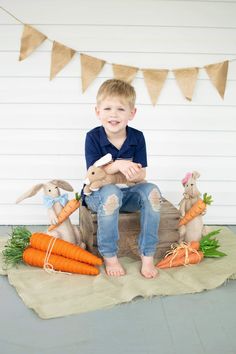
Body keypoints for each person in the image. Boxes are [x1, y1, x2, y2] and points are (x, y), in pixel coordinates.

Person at [82, 79, 162, 278]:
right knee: (111, 192)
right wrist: (117, 165)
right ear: (97, 111)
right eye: (107, 108)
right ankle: (110, 256)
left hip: (126, 194)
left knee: (151, 191)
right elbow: (93, 174)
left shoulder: (137, 137)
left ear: (132, 113)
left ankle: (148, 255)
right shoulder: (92, 137)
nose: (113, 114)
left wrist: (135, 172)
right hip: (98, 196)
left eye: (120, 108)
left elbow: (142, 173)